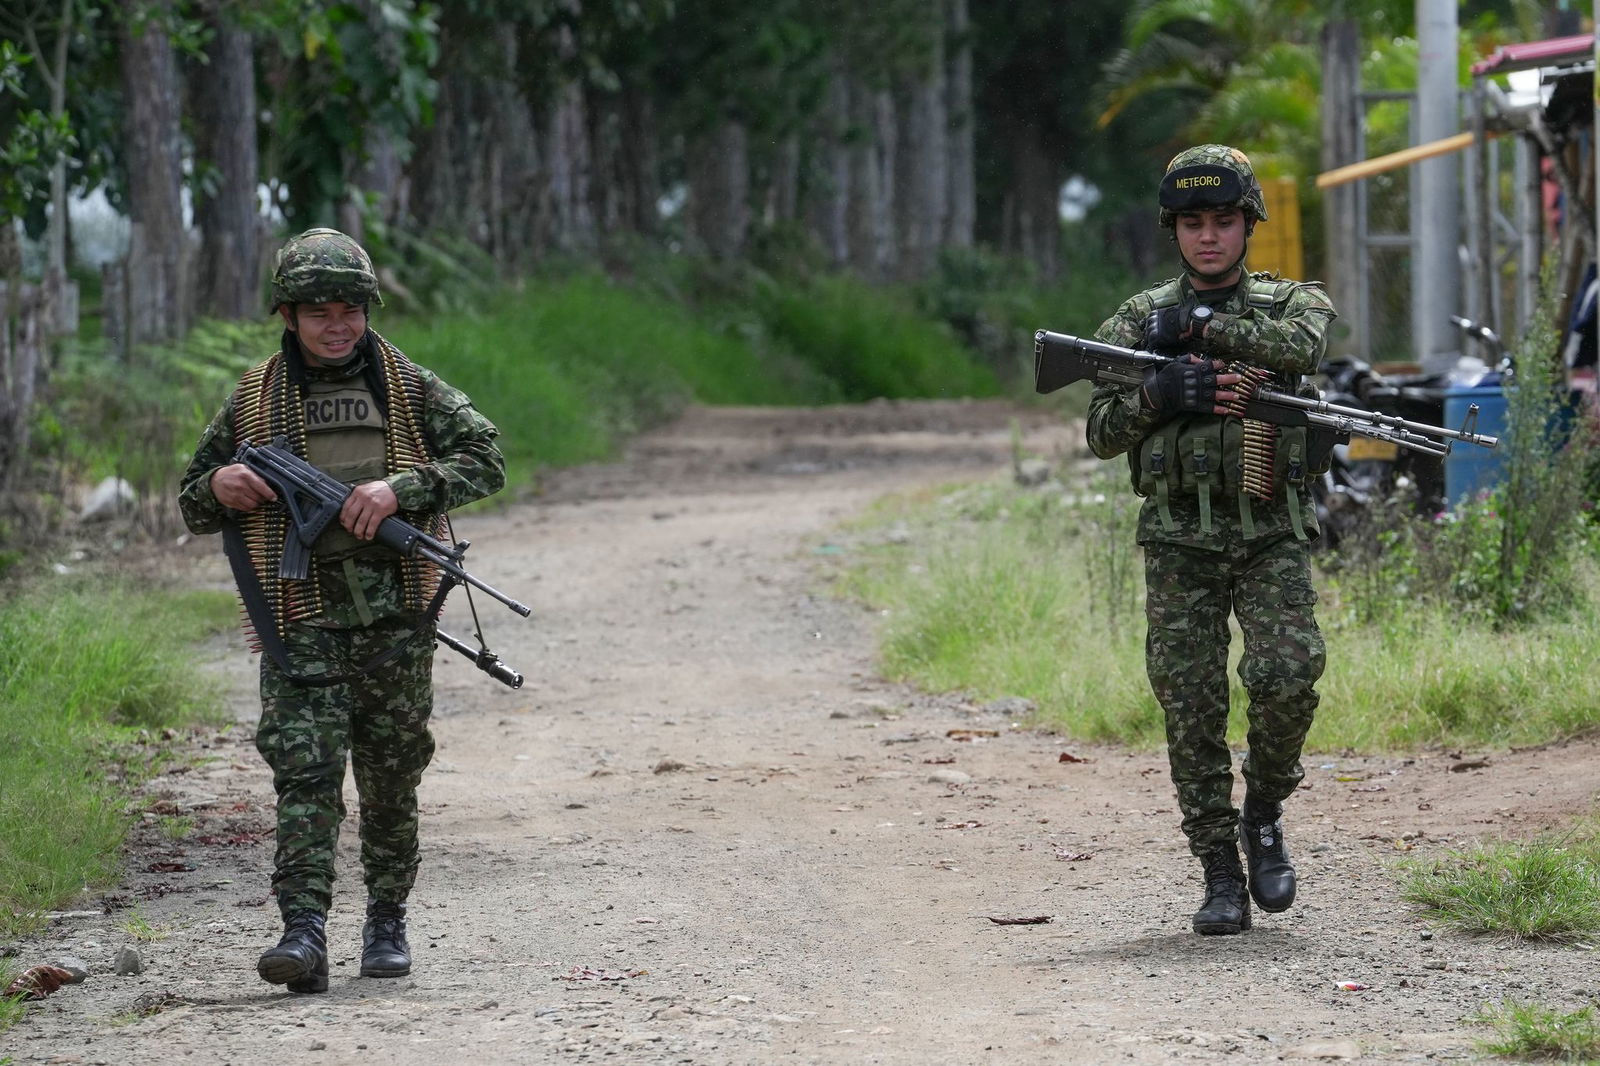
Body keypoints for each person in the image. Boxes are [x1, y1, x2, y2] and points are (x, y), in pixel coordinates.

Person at [178, 228, 506, 991]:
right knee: (307, 774)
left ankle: (386, 920)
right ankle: (303, 931)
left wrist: (402, 490)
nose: (338, 324)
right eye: (319, 311)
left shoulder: (411, 388)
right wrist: (221, 485)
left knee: (391, 775)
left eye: (351, 308)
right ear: (287, 316)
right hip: (300, 615)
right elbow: (194, 502)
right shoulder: (253, 399)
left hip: (397, 616)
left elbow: (485, 457)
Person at [1084, 145, 1337, 935]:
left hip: (1270, 529)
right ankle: (1219, 870)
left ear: (1247, 224)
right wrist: (1161, 389)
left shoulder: (1291, 303)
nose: (1208, 237)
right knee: (1190, 705)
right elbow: (1099, 431)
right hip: (1178, 538)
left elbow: (1306, 349)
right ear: (1173, 230)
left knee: (1289, 673)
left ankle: (1263, 811)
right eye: (1192, 223)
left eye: (1223, 221)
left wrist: (1202, 329)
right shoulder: (1135, 321)